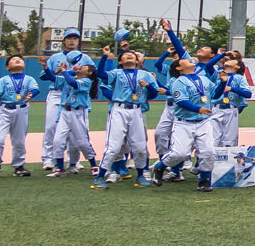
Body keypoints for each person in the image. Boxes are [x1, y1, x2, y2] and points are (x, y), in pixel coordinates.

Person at [92, 49, 160, 190]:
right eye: (125, 55)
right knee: (113, 146)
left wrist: (148, 87)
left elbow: (154, 94)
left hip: (137, 110)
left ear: (137, 61)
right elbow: (100, 74)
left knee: (140, 146)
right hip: (119, 109)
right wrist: (104, 57)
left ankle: (140, 176)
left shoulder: (146, 75)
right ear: (120, 61)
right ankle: (100, 177)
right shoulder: (116, 73)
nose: (129, 55)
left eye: (132, 55)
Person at [149, 58, 216, 191]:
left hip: (203, 121)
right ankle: (159, 167)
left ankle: (204, 180)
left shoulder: (204, 79)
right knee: (180, 154)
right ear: (179, 68)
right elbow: (181, 101)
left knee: (208, 151)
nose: (190, 60)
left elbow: (216, 93)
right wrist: (198, 109)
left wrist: (223, 83)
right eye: (186, 60)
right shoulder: (178, 81)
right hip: (184, 122)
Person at [39, 28, 92, 174]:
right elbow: (43, 76)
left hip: (76, 94)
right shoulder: (55, 57)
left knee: (78, 129)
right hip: (57, 92)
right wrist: (55, 71)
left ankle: (73, 160)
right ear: (64, 41)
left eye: (75, 38)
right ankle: (48, 158)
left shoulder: (85, 58)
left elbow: (92, 74)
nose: (72, 41)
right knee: (51, 127)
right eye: (69, 38)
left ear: (78, 41)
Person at [0, 55, 41, 177]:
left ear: (24, 65)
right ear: (7, 67)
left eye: (20, 59)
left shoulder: (29, 79)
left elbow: (35, 89)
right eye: (13, 59)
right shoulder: (3, 80)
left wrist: (32, 94)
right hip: (3, 110)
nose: (17, 60)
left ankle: (19, 166)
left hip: (21, 110)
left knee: (19, 141)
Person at [49, 63, 99, 178]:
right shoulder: (71, 77)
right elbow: (53, 78)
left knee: (82, 141)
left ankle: (94, 166)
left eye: (83, 67)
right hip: (65, 112)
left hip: (78, 112)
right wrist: (50, 69)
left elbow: (72, 83)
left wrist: (65, 71)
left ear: (89, 72)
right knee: (58, 140)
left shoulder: (87, 81)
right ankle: (60, 168)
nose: (80, 68)